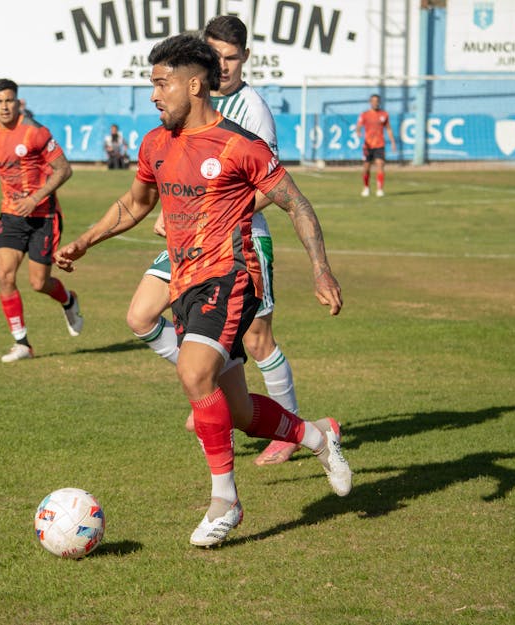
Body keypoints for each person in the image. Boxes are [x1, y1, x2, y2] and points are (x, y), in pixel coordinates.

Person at [54, 34, 351, 547]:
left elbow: (296, 203)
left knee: (195, 371)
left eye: (161, 83)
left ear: (194, 84)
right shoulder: (155, 144)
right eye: (152, 84)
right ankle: (317, 437)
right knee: (236, 414)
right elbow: (134, 203)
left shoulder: (239, 144)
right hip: (187, 277)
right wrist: (85, 240)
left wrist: (320, 269)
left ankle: (226, 501)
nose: (153, 94)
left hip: (232, 274)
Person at [125, 15, 303, 466]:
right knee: (141, 315)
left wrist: (212, 214)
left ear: (245, 57)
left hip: (239, 243)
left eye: (230, 57)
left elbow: (270, 185)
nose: (222, 66)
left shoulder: (252, 110)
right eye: (215, 56)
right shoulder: (187, 110)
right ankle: (203, 382)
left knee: (260, 338)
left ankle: (289, 428)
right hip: (190, 242)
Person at [0, 78, 82, 363]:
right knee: (4, 275)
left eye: (9, 100)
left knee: (39, 283)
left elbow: (64, 169)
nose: (4, 106)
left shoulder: (35, 132)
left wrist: (36, 198)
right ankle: (22, 343)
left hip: (43, 216)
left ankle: (68, 300)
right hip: (11, 216)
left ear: (18, 102)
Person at [356, 94, 396, 197]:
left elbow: (388, 128)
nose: (375, 103)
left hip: (379, 144)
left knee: (380, 164)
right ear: (370, 102)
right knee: (366, 168)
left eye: (376, 101)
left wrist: (392, 142)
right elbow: (359, 126)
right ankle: (366, 187)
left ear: (379, 102)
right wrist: (358, 132)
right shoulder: (365, 114)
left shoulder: (384, 114)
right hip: (368, 145)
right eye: (373, 101)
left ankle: (379, 189)